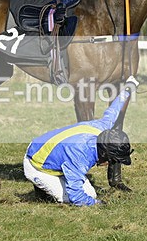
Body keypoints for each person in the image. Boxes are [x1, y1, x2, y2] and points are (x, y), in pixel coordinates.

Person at [23, 77, 139, 206]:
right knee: (88, 196)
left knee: (87, 190)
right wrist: (98, 204)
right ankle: (42, 189)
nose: (110, 164)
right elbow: (76, 197)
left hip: (43, 146)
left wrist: (129, 87)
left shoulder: (101, 128)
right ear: (104, 153)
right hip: (35, 165)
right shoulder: (79, 157)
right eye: (112, 160)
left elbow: (114, 110)